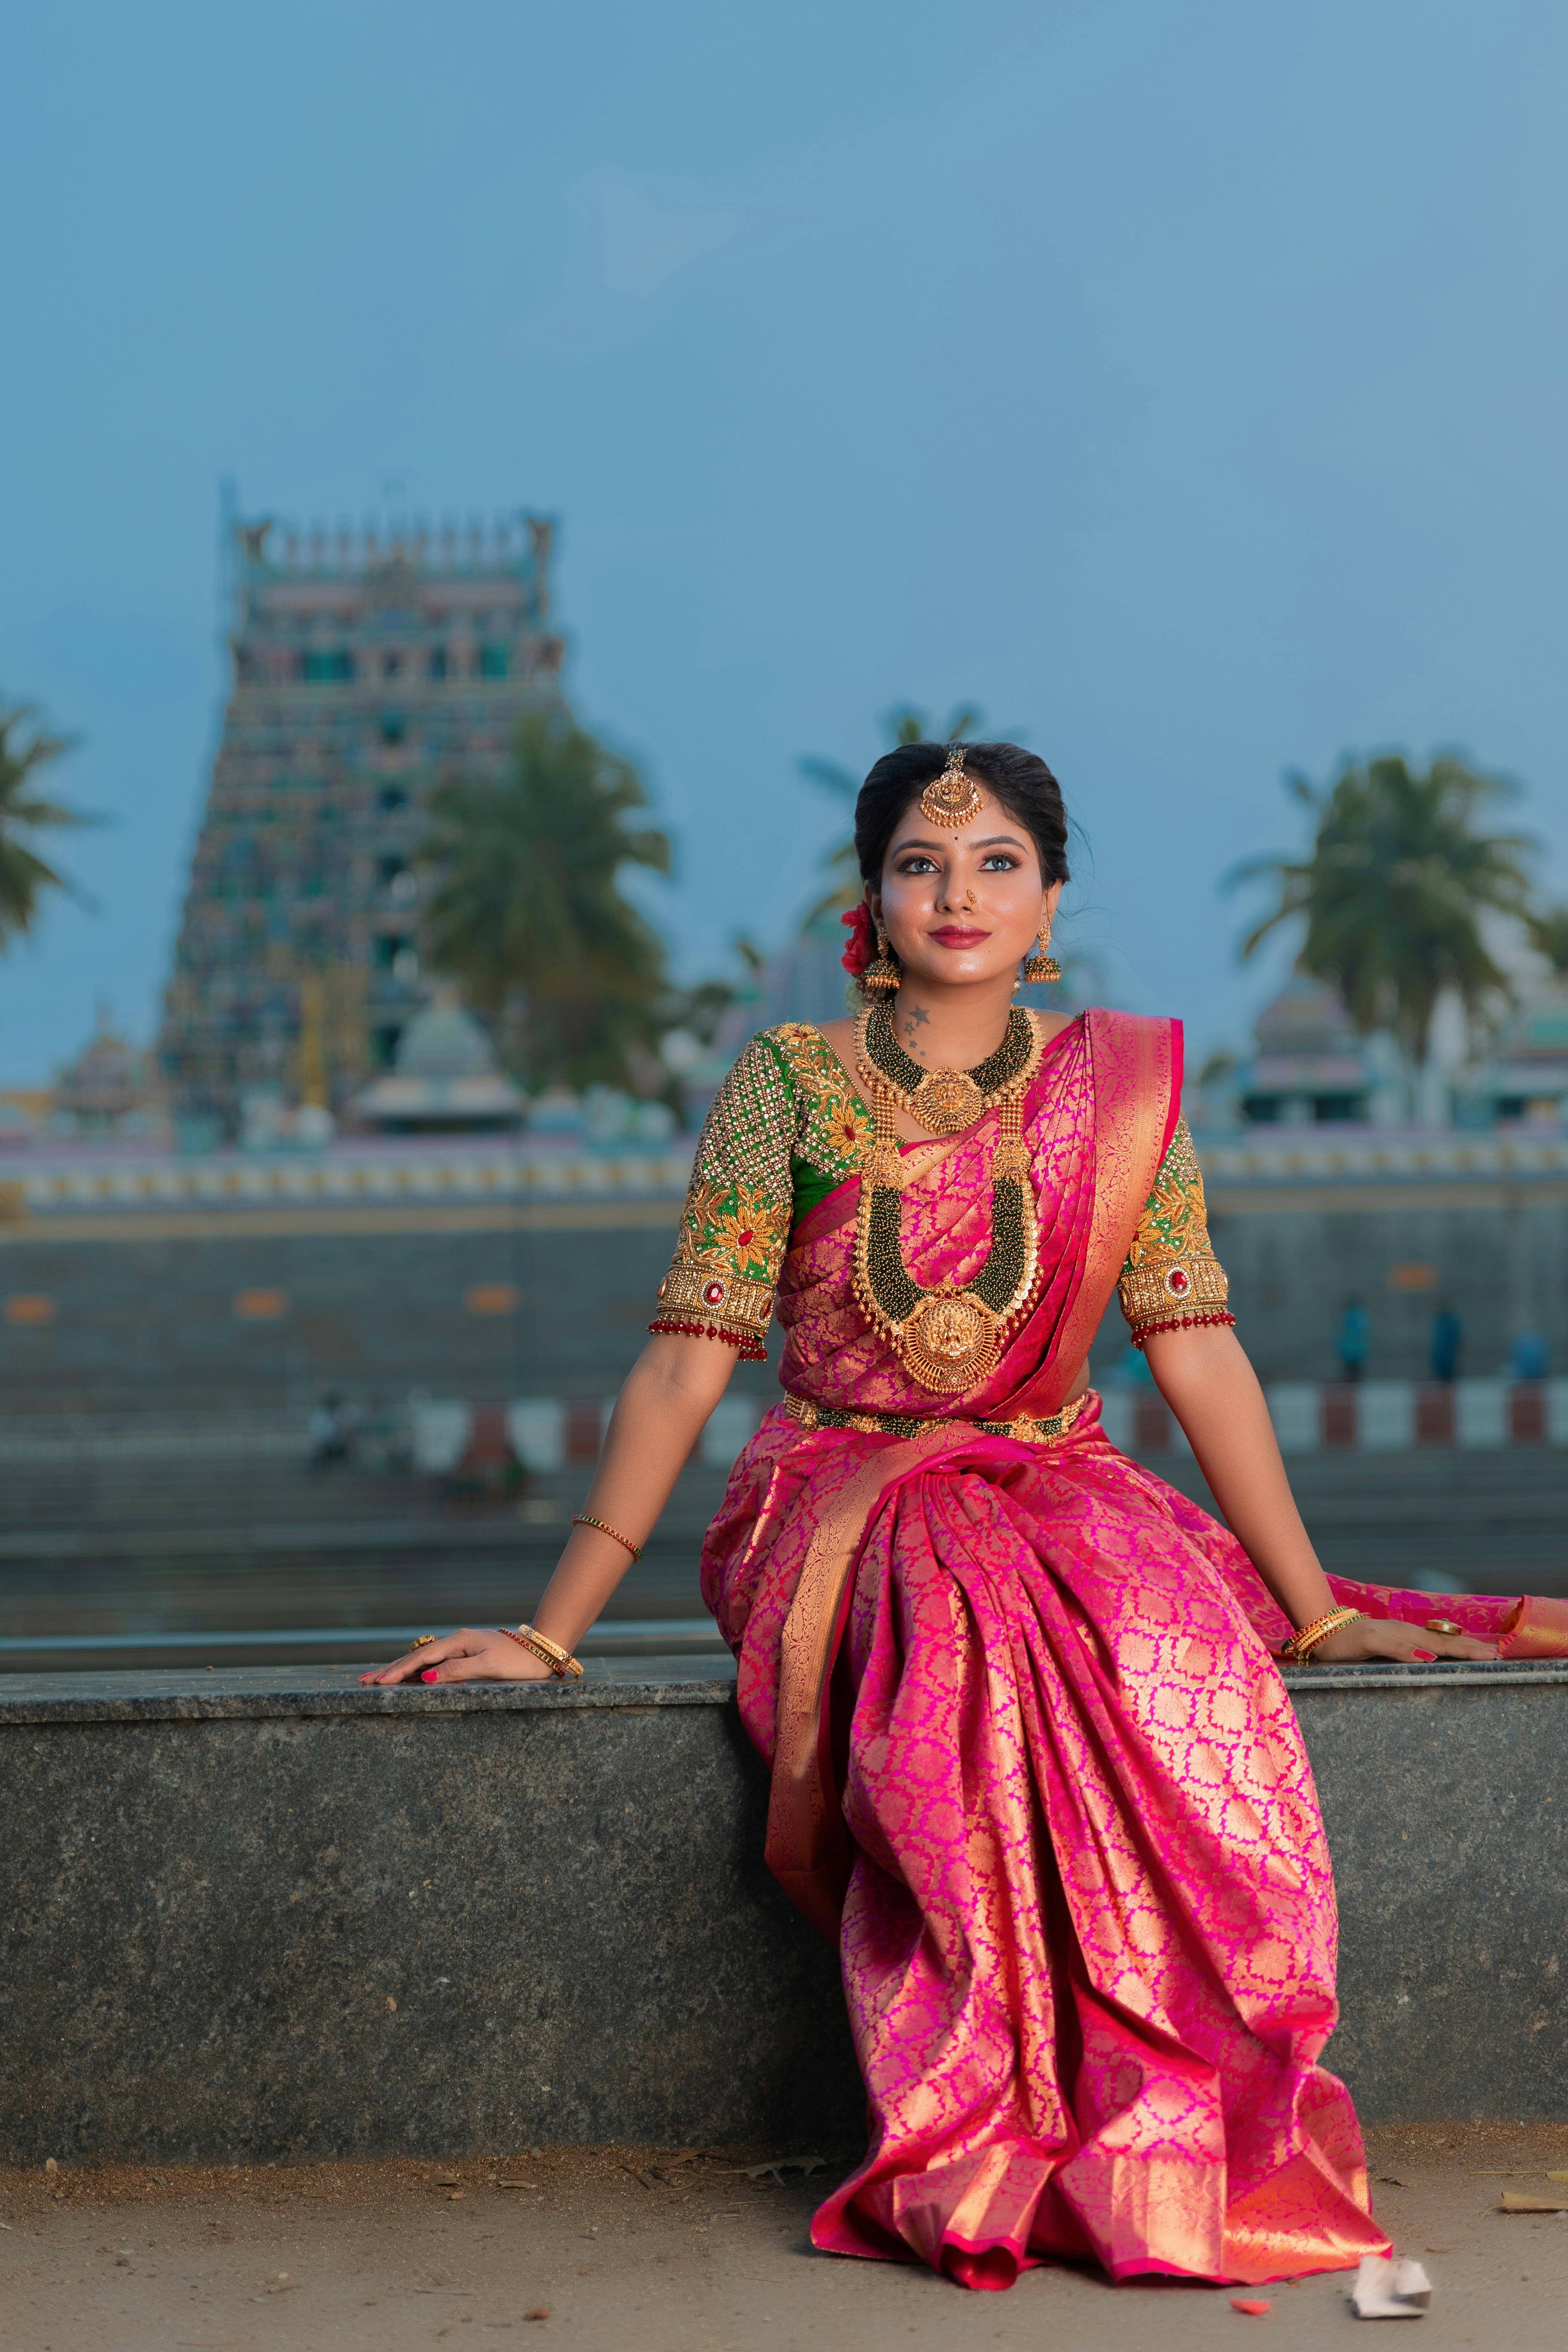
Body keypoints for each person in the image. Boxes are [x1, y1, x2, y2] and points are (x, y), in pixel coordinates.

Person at [364, 741, 1568, 2292]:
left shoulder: (1118, 1086)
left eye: (996, 860)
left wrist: (1313, 1605)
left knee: (1159, 1626)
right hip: (833, 1493)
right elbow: (681, 1364)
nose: (958, 893)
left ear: (1050, 895)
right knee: (965, 1635)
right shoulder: (790, 1080)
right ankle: (987, 2121)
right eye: (922, 863)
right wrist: (551, 1626)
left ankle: (1159, 2117)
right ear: (869, 896)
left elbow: (1192, 1343)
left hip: (1051, 1476)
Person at [1335, 1295, 1369, 1384]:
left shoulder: (1350, 1317)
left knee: (1350, 1374)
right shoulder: (1359, 1316)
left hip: (1350, 1351)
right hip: (1356, 1351)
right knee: (1355, 1374)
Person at [1430, 1300, 1462, 1383]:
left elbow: (1455, 1340)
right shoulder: (1438, 1322)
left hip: (1447, 1358)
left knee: (1446, 1381)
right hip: (1440, 1358)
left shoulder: (1450, 1322)